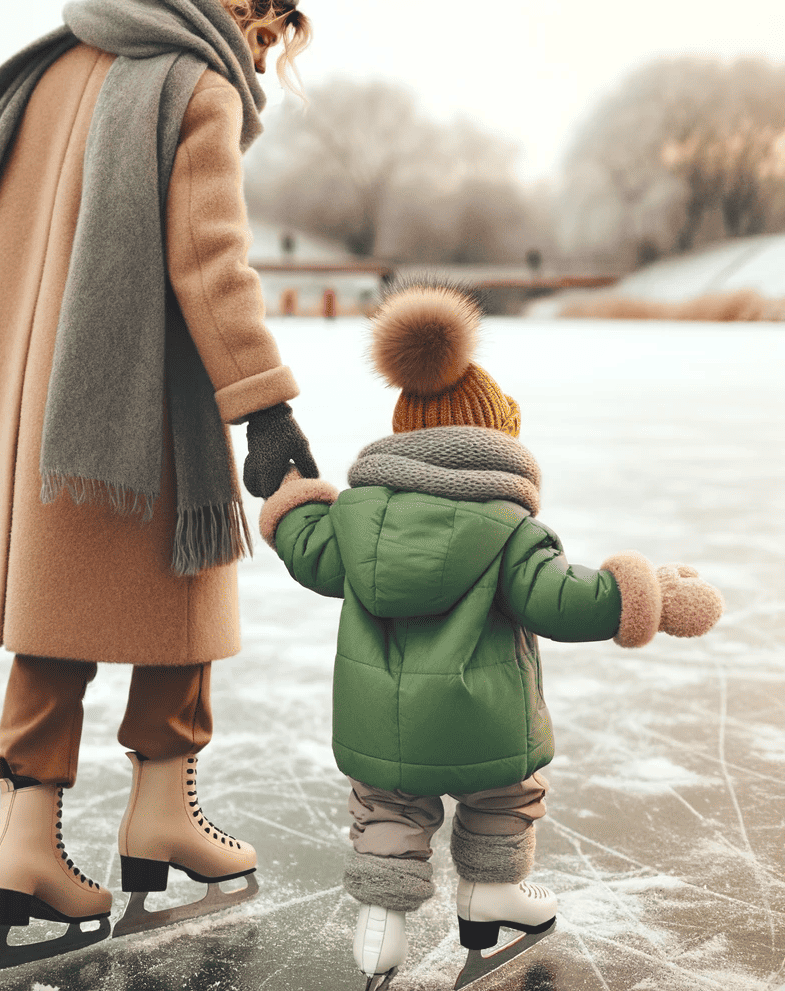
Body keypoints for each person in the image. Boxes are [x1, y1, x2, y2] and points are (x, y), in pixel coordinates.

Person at [0, 0, 317, 972]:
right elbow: (210, 261)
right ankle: (159, 808)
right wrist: (264, 403)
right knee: (185, 570)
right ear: (247, 5)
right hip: (130, 397)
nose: (274, 51)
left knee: (57, 608)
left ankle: (29, 839)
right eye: (281, 25)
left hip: (23, 398)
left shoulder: (46, 65)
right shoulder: (193, 86)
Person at [257, 279, 724, 989]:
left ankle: (379, 930)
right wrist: (651, 595)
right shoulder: (511, 530)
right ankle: (490, 893)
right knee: (503, 797)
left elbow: (304, 542)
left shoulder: (354, 523)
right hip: (487, 727)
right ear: (493, 446)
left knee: (387, 809)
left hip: (383, 730)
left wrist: (288, 495)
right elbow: (566, 602)